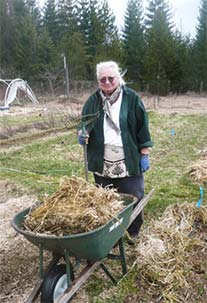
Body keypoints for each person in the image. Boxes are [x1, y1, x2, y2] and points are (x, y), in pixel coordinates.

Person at [78, 60, 153, 238]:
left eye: (111, 78)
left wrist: (144, 153)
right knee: (106, 197)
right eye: (102, 79)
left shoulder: (131, 98)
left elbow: (143, 126)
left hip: (127, 157)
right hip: (102, 158)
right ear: (98, 82)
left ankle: (132, 232)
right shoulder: (93, 101)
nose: (107, 82)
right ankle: (110, 231)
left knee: (133, 195)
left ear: (118, 77)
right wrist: (82, 134)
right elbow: (85, 124)